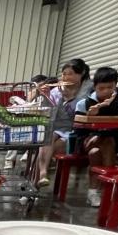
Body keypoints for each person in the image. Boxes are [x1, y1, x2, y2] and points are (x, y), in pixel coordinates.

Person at [74, 66, 118, 207]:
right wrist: (90, 117)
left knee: (98, 150)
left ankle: (93, 192)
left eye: (110, 87)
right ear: (94, 87)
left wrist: (100, 134)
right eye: (101, 88)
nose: (106, 91)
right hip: (87, 140)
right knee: (102, 144)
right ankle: (110, 187)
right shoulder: (84, 103)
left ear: (116, 85)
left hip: (114, 139)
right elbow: (78, 131)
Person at [37, 58, 92, 186]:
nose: (66, 77)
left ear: (82, 73)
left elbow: (79, 114)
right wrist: (45, 96)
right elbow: (49, 112)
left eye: (70, 74)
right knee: (46, 137)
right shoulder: (56, 90)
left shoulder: (89, 91)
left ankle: (38, 181)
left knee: (50, 149)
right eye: (64, 74)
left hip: (77, 130)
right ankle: (42, 175)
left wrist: (68, 98)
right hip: (58, 126)